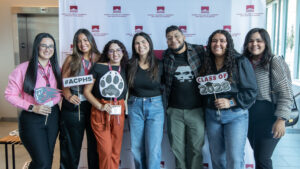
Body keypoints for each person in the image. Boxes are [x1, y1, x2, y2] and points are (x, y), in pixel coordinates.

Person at [200, 29, 257, 169]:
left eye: (222, 41)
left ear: (228, 44)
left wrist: (231, 101)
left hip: (235, 115)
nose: (217, 44)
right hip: (212, 115)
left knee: (235, 159)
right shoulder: (207, 63)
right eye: (214, 41)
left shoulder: (240, 61)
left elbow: (252, 91)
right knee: (217, 158)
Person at [5, 33, 62, 169]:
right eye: (44, 45)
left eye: (51, 46)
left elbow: (60, 92)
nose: (47, 49)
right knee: (42, 162)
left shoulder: (57, 69)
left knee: (48, 160)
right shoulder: (22, 69)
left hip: (53, 116)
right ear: (37, 47)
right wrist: (32, 107)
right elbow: (9, 94)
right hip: (31, 118)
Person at [243, 28, 293, 169]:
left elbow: (286, 93)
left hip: (270, 117)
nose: (255, 44)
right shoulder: (244, 62)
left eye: (259, 40)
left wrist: (281, 119)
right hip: (250, 117)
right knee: (257, 158)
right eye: (251, 41)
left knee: (263, 159)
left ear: (266, 43)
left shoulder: (274, 61)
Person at [163, 25, 205, 169]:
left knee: (196, 150)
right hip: (174, 111)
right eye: (169, 38)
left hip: (197, 110)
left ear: (184, 37)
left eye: (176, 36)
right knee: (177, 151)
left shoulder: (198, 51)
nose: (173, 40)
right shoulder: (166, 56)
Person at [83, 40, 128, 169]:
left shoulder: (125, 68)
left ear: (123, 52)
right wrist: (100, 106)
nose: (115, 53)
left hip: (118, 111)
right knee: (106, 152)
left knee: (115, 152)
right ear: (107, 53)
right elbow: (86, 92)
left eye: (118, 50)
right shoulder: (98, 67)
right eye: (111, 50)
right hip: (100, 111)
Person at [60, 28, 100, 169]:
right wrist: (69, 95)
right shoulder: (72, 59)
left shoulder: (100, 58)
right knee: (71, 147)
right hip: (74, 107)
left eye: (85, 40)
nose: (82, 44)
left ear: (91, 40)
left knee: (95, 147)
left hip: (94, 106)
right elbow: (63, 81)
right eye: (79, 41)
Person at [127, 32, 164, 169]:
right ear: (134, 46)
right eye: (137, 43)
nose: (140, 45)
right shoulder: (130, 65)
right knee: (136, 149)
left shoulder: (159, 64)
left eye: (143, 42)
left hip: (155, 107)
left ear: (149, 44)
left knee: (153, 149)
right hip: (134, 106)